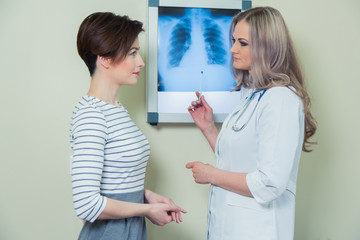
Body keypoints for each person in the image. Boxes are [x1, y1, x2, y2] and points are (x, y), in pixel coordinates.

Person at [186, 7, 316, 240]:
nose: (232, 49)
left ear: (268, 47)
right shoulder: (252, 95)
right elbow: (238, 160)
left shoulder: (281, 99)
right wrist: (208, 127)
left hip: (258, 230)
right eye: (233, 40)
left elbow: (269, 183)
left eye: (243, 43)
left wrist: (211, 175)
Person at [70, 12, 185, 240]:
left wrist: (146, 196)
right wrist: (147, 210)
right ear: (104, 57)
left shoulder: (115, 109)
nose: (141, 61)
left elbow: (114, 181)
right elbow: (86, 204)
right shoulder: (91, 116)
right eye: (133, 53)